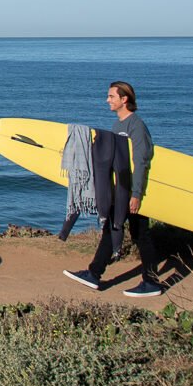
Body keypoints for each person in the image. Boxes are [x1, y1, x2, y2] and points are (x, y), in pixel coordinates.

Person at [63, 82, 163, 297]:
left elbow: (142, 161)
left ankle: (151, 282)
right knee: (112, 228)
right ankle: (94, 274)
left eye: (111, 96)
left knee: (140, 235)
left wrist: (136, 194)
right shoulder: (118, 125)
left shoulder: (136, 126)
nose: (107, 100)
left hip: (134, 190)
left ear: (124, 99)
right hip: (121, 189)